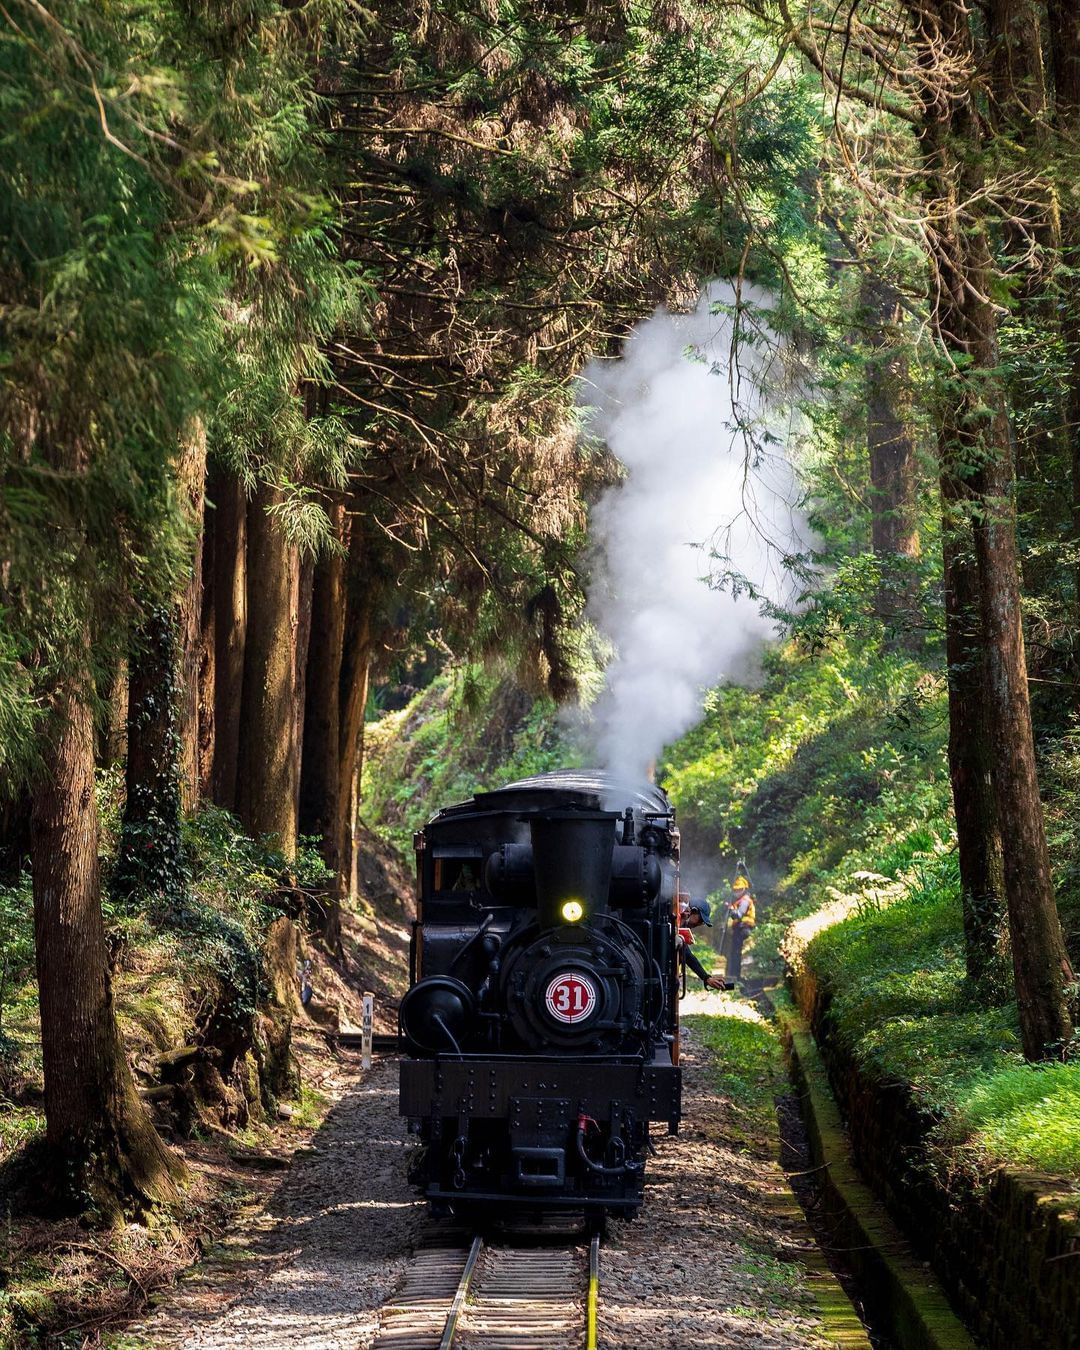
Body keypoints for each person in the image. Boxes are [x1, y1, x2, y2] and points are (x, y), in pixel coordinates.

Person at [678, 897, 728, 991]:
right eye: (700, 920)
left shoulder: (682, 924)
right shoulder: (677, 920)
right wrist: (706, 978)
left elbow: (686, 954)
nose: (699, 924)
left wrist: (706, 977)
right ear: (693, 911)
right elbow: (688, 955)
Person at [724, 874, 756, 981]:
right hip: (739, 928)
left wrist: (731, 909)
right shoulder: (739, 900)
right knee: (734, 953)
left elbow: (738, 915)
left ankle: (737, 976)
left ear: (744, 889)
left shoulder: (745, 900)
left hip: (744, 928)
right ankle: (734, 975)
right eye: (735, 889)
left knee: (737, 953)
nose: (737, 892)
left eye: (739, 889)